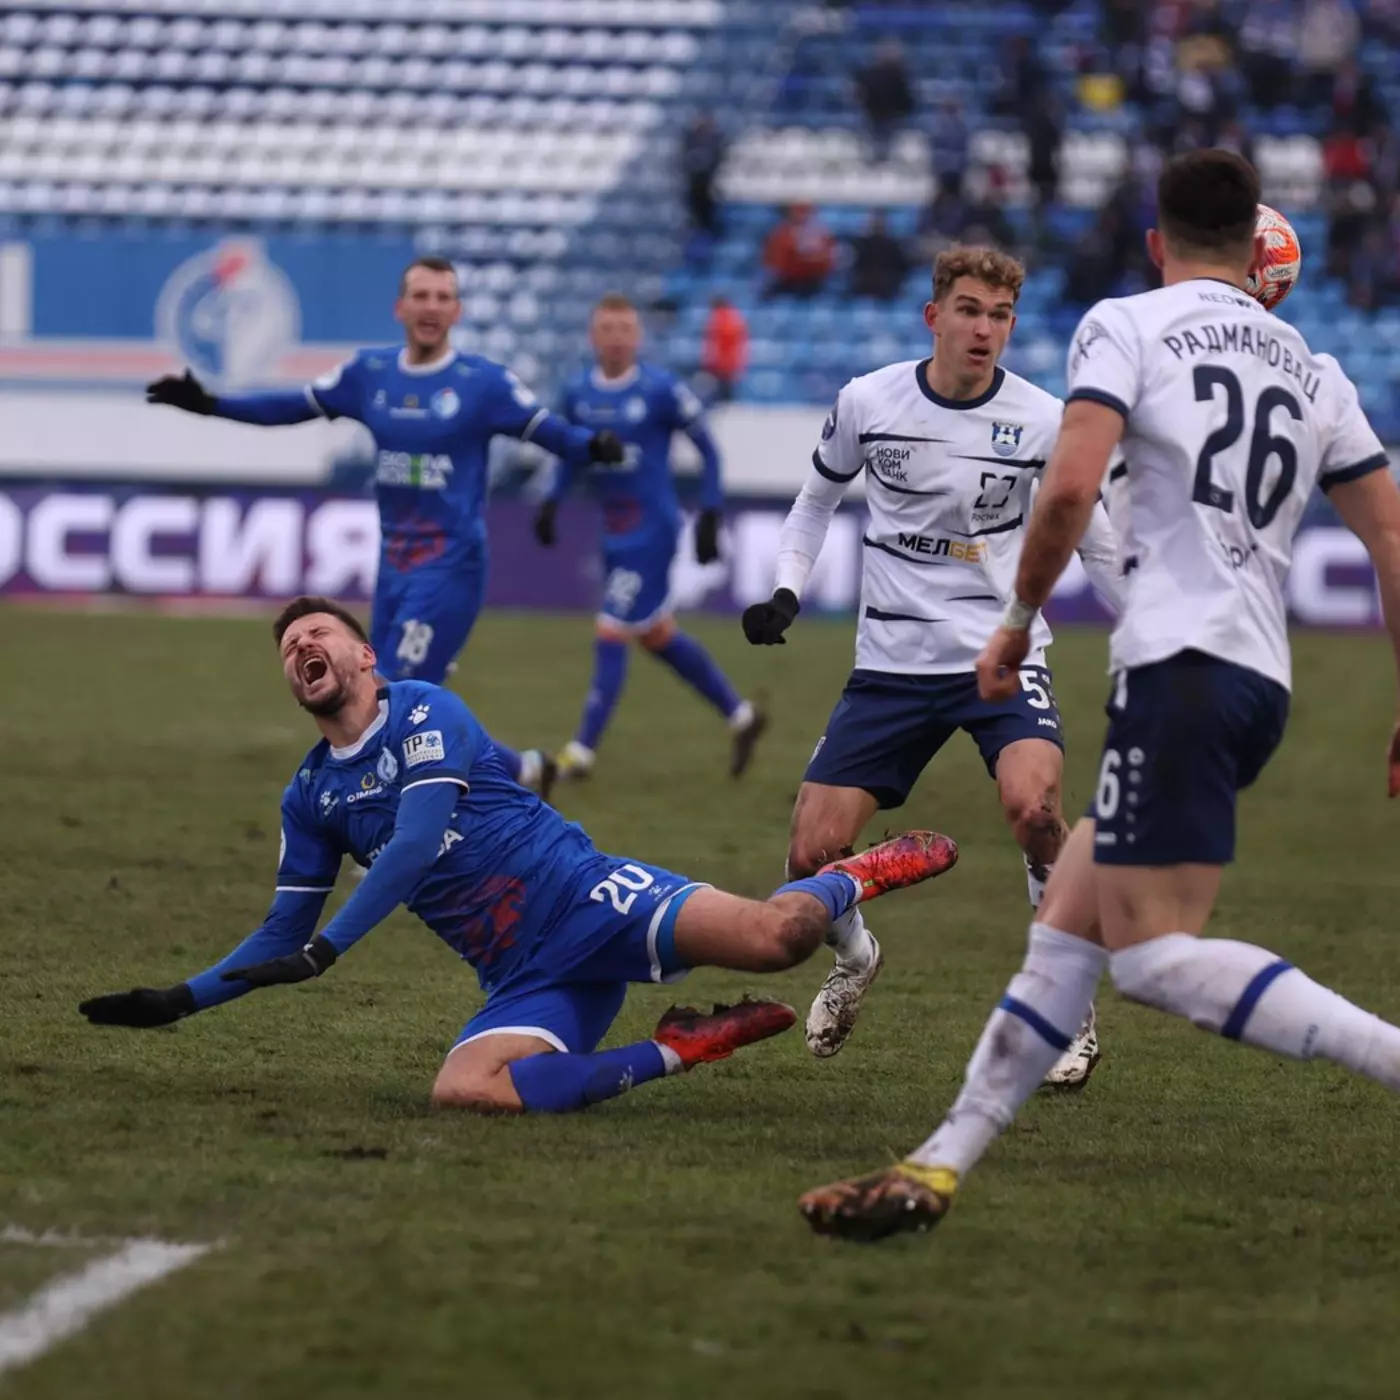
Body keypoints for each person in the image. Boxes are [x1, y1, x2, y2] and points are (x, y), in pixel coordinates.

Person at [799, 148, 1400, 1242]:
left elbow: (1070, 487)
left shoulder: (1125, 325)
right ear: (1260, 251)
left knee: (1156, 959)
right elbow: (1390, 534)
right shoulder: (1316, 369)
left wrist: (1016, 620)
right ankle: (934, 1169)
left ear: (1157, 242)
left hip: (1180, 670)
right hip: (1252, 675)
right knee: (1064, 939)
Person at [77, 597, 958, 1114]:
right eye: (288, 647)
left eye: (317, 633)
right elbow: (281, 931)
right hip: (523, 974)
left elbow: (414, 843)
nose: (302, 646)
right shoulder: (310, 797)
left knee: (779, 939)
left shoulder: (426, 711)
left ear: (365, 656)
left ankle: (853, 875)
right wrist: (177, 1001)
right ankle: (684, 1047)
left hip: (592, 898)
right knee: (464, 1092)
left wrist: (328, 951)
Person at [742, 245, 1124, 1086]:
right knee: (809, 858)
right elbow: (815, 502)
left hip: (999, 654)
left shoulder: (1043, 419)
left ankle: (1067, 1007)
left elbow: (1097, 544)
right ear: (934, 316)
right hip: (891, 664)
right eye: (970, 311)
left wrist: (1152, 638)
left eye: (1001, 316)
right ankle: (856, 957)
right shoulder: (868, 401)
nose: (985, 329)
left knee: (1035, 811)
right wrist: (786, 590)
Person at [144, 257, 624, 795]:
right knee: (391, 689)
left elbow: (543, 429)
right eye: (421, 295)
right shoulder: (369, 374)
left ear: (458, 311)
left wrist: (590, 446)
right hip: (394, 564)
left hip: (451, 563)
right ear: (400, 307)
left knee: (385, 690)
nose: (431, 307)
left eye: (443, 297)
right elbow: (292, 406)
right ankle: (522, 770)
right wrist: (212, 405)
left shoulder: (482, 384)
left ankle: (414, 815)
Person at [535, 294, 767, 782]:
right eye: (607, 329)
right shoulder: (577, 392)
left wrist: (710, 514)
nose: (616, 339)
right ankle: (741, 715)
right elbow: (572, 454)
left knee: (611, 629)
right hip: (613, 528)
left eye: (625, 329)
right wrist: (553, 500)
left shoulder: (661, 390)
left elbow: (709, 451)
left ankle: (582, 751)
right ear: (593, 337)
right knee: (656, 634)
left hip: (653, 528)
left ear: (638, 336)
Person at [763, 204, 837, 299]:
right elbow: (775, 263)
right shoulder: (781, 234)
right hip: (787, 281)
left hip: (815, 281)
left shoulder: (821, 232)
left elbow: (829, 259)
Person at [849, 212, 911, 302]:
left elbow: (903, 269)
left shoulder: (893, 247)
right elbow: (854, 269)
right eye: (874, 225)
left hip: (887, 291)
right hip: (862, 290)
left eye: (879, 225)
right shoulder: (861, 246)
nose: (877, 227)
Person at [701, 294, 749, 402]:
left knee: (723, 396)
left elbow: (714, 344)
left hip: (722, 365)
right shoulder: (735, 316)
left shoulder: (720, 318)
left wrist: (710, 362)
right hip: (730, 364)